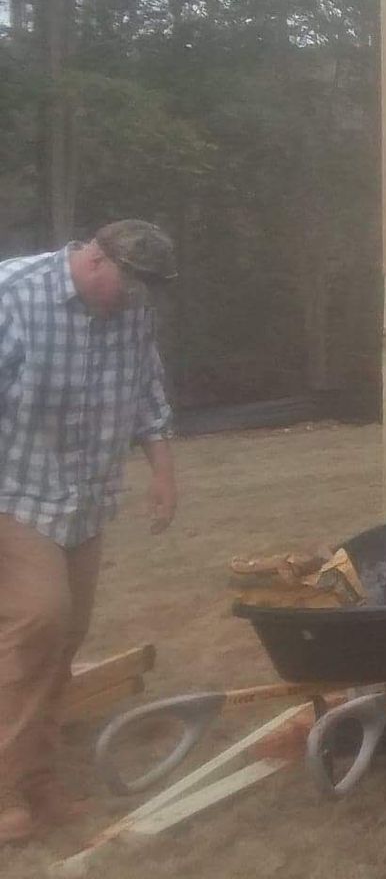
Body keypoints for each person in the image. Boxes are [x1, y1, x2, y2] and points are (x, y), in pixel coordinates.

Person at [0, 220, 178, 843]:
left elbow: (147, 393)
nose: (135, 305)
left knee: (65, 637)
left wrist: (163, 473)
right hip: (13, 491)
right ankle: (4, 789)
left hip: (85, 500)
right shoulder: (14, 295)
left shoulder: (132, 310)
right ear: (96, 261)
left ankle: (37, 778)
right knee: (38, 620)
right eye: (129, 289)